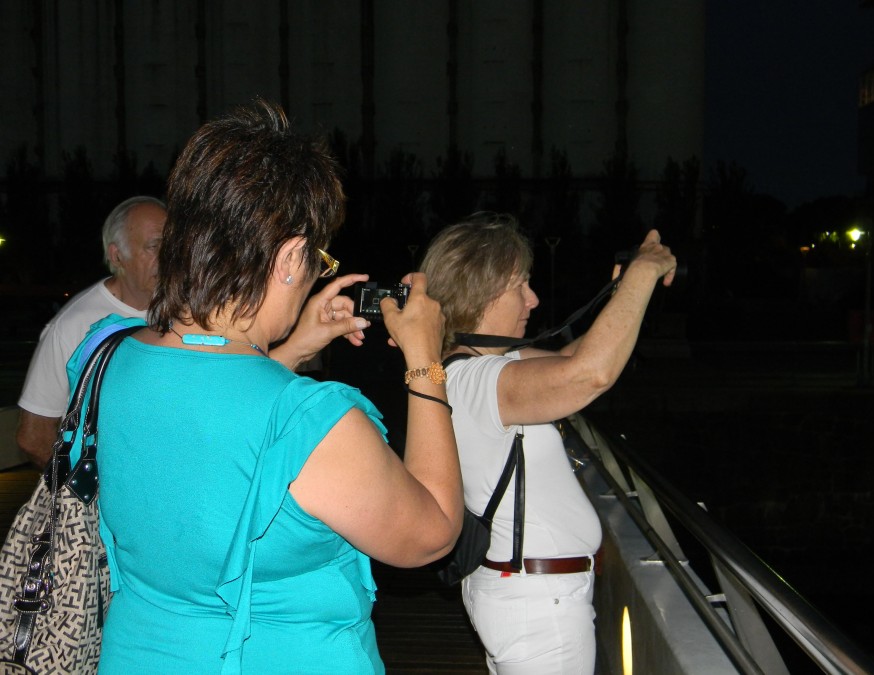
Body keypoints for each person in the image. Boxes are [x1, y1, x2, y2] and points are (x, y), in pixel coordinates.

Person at [66, 99, 462, 674]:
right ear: (290, 258)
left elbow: (207, 393)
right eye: (315, 259)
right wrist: (425, 357)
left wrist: (294, 346)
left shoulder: (101, 356)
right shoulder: (316, 424)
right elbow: (432, 533)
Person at [419, 212, 676, 674]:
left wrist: (623, 293)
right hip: (538, 608)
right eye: (521, 284)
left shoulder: (472, 368)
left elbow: (573, 359)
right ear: (483, 289)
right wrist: (643, 273)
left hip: (528, 596)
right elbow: (589, 375)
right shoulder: (481, 380)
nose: (532, 300)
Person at [16, 195, 166, 467]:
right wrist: (83, 495)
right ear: (117, 255)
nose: (168, 257)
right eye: (154, 246)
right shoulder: (75, 325)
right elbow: (34, 435)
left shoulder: (190, 311)